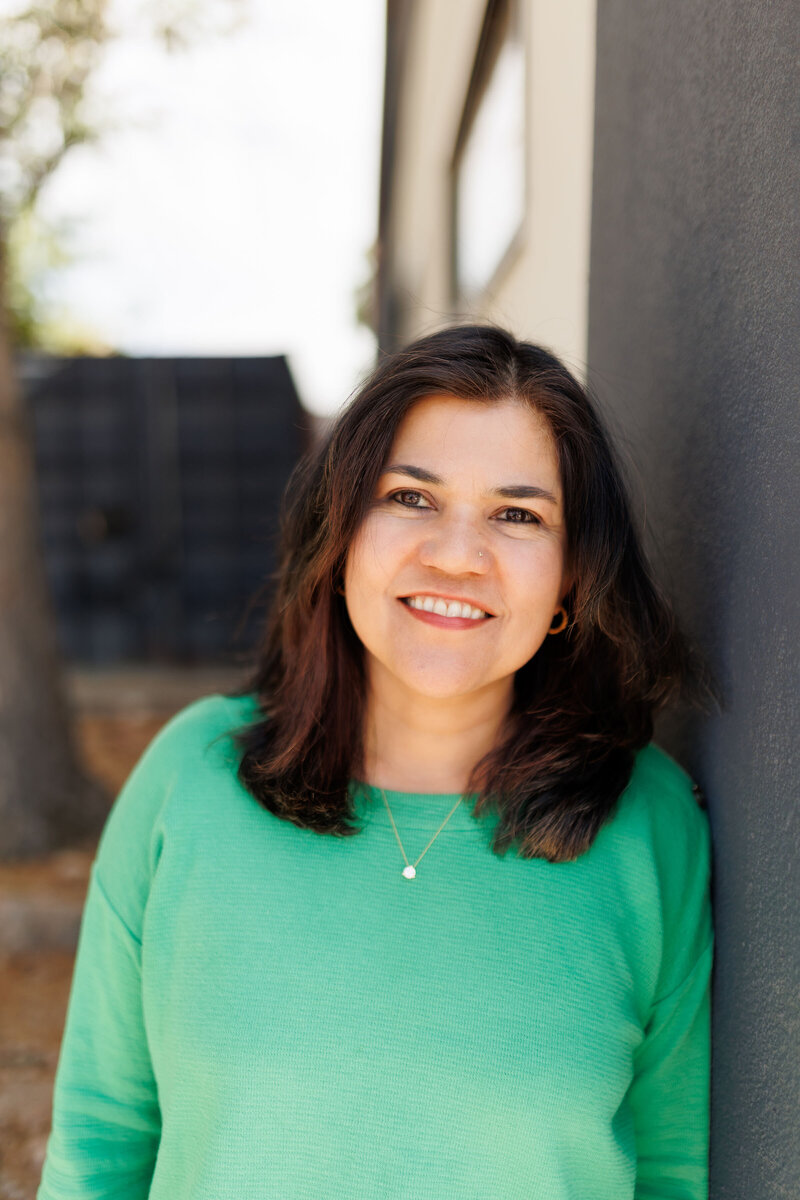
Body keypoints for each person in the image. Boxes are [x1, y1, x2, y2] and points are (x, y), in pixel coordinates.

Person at [38, 324, 714, 1200]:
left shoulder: (649, 822)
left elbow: (674, 1174)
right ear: (341, 528)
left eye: (518, 515)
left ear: (573, 579)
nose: (459, 555)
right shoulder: (189, 780)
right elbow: (99, 1146)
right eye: (412, 497)